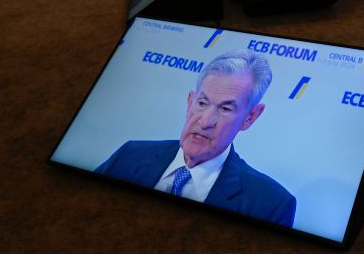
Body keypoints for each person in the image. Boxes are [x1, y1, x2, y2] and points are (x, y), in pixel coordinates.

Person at [95, 50, 296, 227]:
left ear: (250, 118)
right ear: (190, 102)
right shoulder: (130, 155)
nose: (205, 121)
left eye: (225, 108)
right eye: (202, 102)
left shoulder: (270, 205)